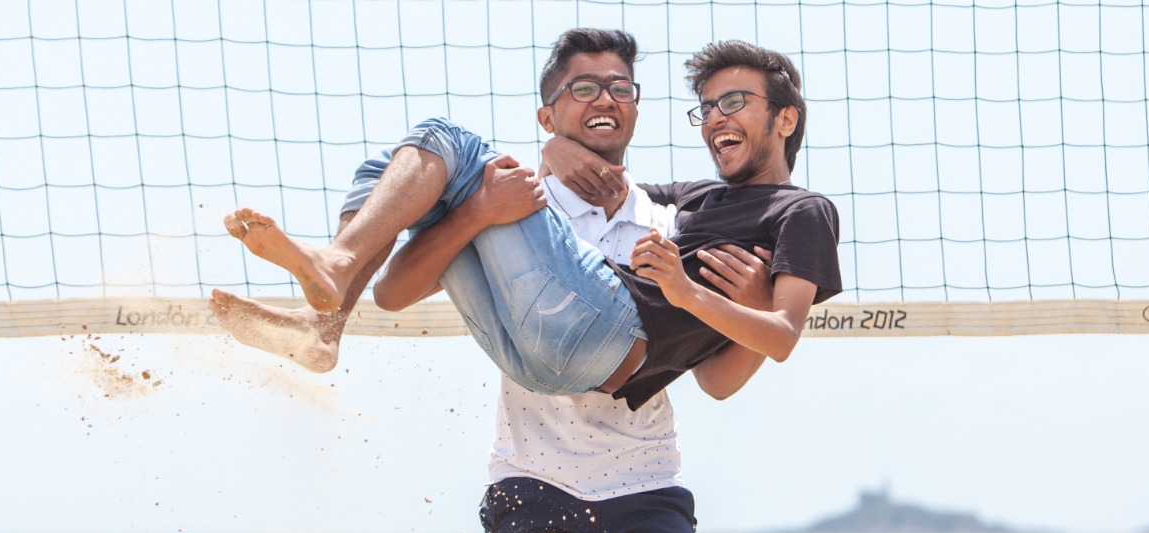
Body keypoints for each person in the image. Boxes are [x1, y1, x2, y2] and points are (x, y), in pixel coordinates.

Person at [215, 37, 839, 409]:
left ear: (785, 120)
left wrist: (692, 294)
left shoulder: (804, 210)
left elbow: (777, 340)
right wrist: (559, 152)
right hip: (540, 368)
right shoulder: (693, 199)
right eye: (705, 107)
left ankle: (333, 274)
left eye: (734, 103)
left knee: (445, 138)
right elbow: (599, 184)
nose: (713, 117)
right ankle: (325, 326)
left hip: (613, 333)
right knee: (396, 171)